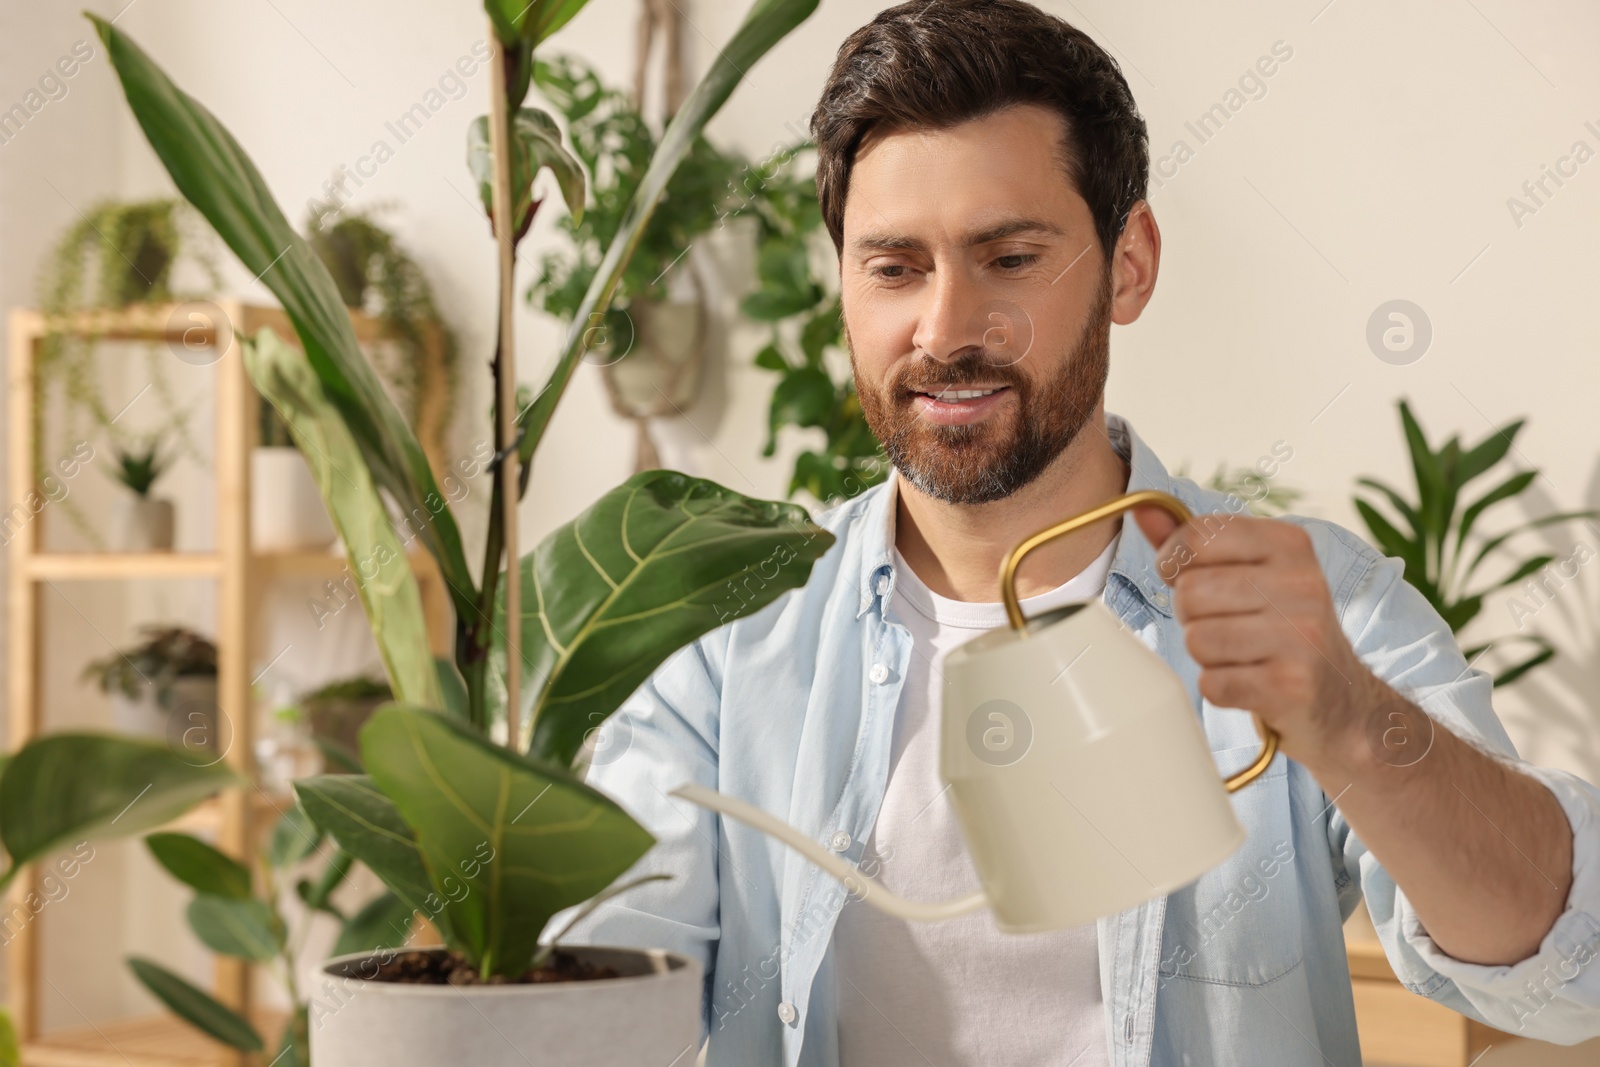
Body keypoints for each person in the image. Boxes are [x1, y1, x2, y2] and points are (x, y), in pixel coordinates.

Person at [565, 2, 1600, 1063]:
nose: (946, 328)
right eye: (893, 266)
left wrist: (1349, 721)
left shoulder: (1311, 603)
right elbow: (588, 1006)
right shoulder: (731, 637)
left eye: (1010, 257)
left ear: (1130, 264)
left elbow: (1571, 973)